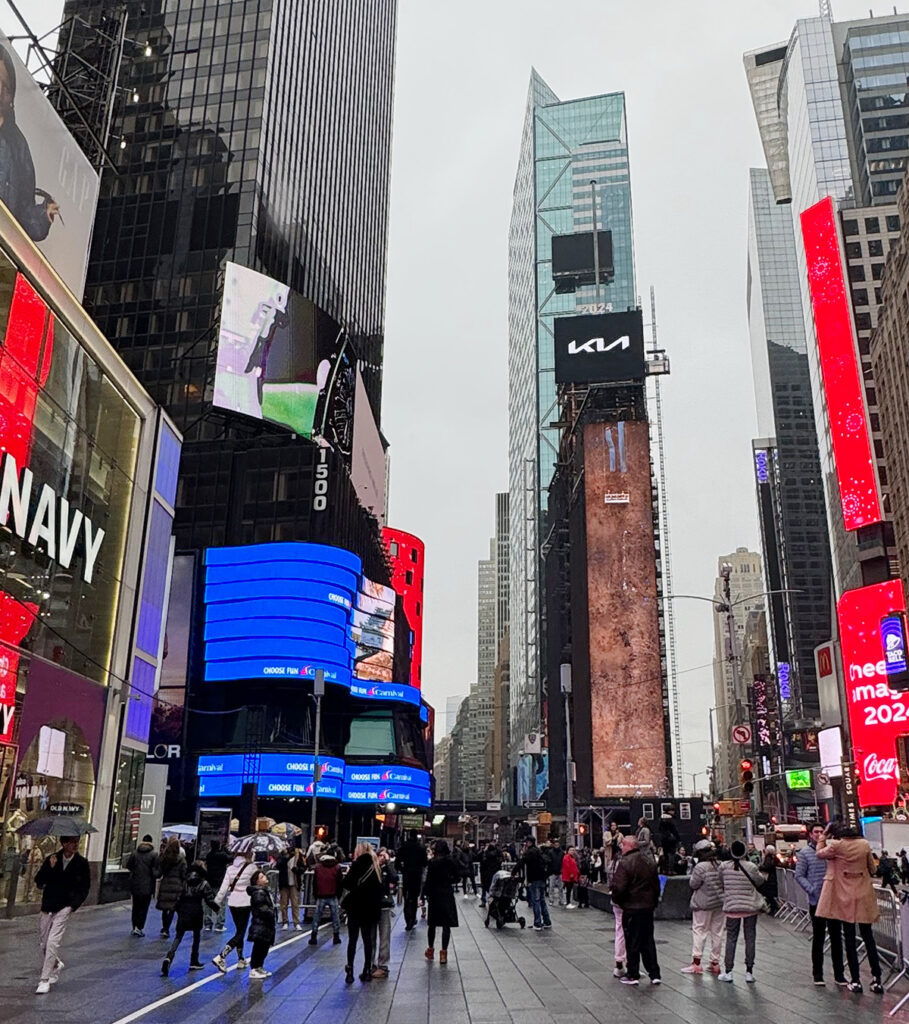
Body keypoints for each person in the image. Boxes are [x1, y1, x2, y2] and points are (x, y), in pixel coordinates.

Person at [0, 45, 59, 243]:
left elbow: (24, 215)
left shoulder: (18, 144)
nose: (0, 91)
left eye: (5, 86)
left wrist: (44, 214)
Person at [816, 822, 884, 993]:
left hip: (844, 895)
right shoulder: (864, 845)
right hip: (863, 894)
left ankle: (855, 980)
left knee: (850, 939)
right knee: (868, 938)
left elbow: (819, 853)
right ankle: (876, 978)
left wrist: (823, 836)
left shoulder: (837, 846)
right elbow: (872, 868)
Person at [33, 834, 90, 994]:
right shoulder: (52, 859)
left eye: (77, 842)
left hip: (65, 906)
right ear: (64, 843)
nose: (75, 845)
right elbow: (39, 881)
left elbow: (84, 887)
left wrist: (73, 905)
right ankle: (55, 963)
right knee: (44, 943)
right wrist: (50, 868)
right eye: (72, 842)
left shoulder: (81, 863)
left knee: (52, 942)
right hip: (49, 904)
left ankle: (44, 979)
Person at [795, 823, 846, 987]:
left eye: (821, 832)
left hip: (833, 899)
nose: (818, 834)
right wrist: (811, 890)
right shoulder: (805, 853)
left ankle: (840, 975)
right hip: (816, 901)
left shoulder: (831, 851)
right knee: (818, 938)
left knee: (836, 937)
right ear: (810, 834)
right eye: (815, 832)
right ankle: (818, 974)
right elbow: (799, 875)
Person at [610, 834, 661, 986]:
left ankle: (632, 973)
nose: (621, 847)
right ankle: (654, 974)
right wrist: (653, 902)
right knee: (648, 941)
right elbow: (656, 885)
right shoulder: (649, 861)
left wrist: (620, 901)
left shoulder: (625, 863)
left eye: (623, 845)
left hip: (632, 908)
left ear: (630, 846)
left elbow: (619, 887)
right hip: (647, 908)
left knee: (632, 941)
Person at [717, 839, 766, 983]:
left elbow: (721, 882)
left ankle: (728, 971)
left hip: (732, 906)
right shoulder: (751, 866)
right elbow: (760, 881)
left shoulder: (723, 867)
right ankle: (749, 972)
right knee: (750, 938)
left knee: (731, 938)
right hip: (750, 907)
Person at [161, 861, 219, 976]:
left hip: (184, 910)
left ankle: (169, 957)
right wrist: (217, 908)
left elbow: (178, 897)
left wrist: (177, 909)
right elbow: (209, 900)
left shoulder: (184, 881)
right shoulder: (203, 883)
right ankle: (194, 960)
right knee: (196, 936)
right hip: (196, 911)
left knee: (178, 936)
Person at [342, 842, 383, 984]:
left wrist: (348, 874)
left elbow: (347, 884)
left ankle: (350, 970)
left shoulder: (357, 864)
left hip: (356, 907)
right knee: (368, 940)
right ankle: (366, 970)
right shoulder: (376, 866)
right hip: (370, 909)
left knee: (352, 940)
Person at [680, 839, 723, 975]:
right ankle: (715, 962)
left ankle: (696, 963)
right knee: (718, 932)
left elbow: (693, 884)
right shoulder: (720, 865)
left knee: (699, 930)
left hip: (703, 903)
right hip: (720, 902)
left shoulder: (700, 867)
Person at [212, 851, 258, 972]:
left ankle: (241, 959)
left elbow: (223, 888)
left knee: (239, 930)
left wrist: (216, 902)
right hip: (245, 901)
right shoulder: (252, 868)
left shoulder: (230, 868)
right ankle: (221, 956)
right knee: (241, 933)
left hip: (232, 902)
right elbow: (257, 883)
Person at [422, 839, 460, 964]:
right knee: (446, 924)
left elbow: (428, 880)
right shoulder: (451, 862)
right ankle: (443, 953)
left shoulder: (432, 863)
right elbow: (457, 877)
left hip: (434, 895)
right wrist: (448, 880)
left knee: (432, 924)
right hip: (447, 894)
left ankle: (430, 949)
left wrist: (423, 895)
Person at [242, 869, 277, 979]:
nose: (265, 878)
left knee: (264, 947)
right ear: (257, 881)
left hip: (266, 924)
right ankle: (254, 967)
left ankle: (259, 967)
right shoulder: (258, 893)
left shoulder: (264, 891)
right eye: (261, 877)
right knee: (259, 947)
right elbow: (261, 908)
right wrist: (271, 912)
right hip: (261, 924)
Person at [371, 847, 398, 978]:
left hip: (384, 905)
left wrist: (388, 864)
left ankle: (383, 964)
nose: (382, 858)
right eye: (380, 855)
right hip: (372, 905)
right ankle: (370, 964)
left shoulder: (387, 869)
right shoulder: (372, 868)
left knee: (384, 936)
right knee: (370, 936)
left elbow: (395, 878)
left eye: (384, 856)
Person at [309, 848, 344, 946]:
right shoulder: (337, 867)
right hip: (333, 895)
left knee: (317, 917)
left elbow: (315, 883)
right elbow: (340, 883)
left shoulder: (318, 867)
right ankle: (336, 936)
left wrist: (316, 894)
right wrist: (338, 894)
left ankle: (313, 936)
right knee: (335, 917)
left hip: (321, 895)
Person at [126, 833, 158, 936]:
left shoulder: (135, 853)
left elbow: (128, 865)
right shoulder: (154, 854)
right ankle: (139, 927)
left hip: (135, 884)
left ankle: (134, 926)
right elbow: (155, 871)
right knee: (144, 908)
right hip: (147, 886)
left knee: (135, 906)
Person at [155, 837, 187, 938]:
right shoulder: (181, 860)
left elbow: (159, 872)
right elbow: (184, 874)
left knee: (165, 908)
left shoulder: (164, 858)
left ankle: (164, 927)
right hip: (177, 885)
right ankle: (167, 929)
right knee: (172, 908)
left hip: (166, 884)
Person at [397, 830, 428, 929]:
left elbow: (397, 862)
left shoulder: (404, 847)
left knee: (406, 897)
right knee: (414, 897)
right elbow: (425, 862)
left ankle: (408, 919)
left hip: (406, 874)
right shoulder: (421, 848)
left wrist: (403, 870)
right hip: (416, 875)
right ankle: (413, 917)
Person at [519, 837, 551, 931]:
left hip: (534, 879)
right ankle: (547, 921)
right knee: (542, 900)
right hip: (542, 879)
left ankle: (537, 923)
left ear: (529, 843)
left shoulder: (530, 852)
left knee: (535, 901)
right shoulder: (538, 851)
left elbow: (522, 862)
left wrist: (513, 872)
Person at [203, 840, 231, 932]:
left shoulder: (209, 855)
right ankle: (219, 924)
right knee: (221, 904)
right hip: (220, 882)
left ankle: (207, 924)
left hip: (209, 881)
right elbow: (231, 858)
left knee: (208, 903)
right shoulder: (222, 855)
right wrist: (225, 849)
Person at [276, 846, 301, 931]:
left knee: (295, 904)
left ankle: (296, 922)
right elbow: (278, 865)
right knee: (283, 904)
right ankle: (285, 922)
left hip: (294, 883)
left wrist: (297, 870)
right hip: (284, 883)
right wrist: (286, 857)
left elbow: (303, 867)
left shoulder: (298, 856)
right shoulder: (282, 857)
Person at [479, 842, 502, 908]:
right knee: (493, 889)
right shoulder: (496, 855)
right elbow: (499, 863)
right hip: (494, 874)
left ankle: (483, 901)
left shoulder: (485, 855)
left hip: (486, 874)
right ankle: (494, 902)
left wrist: (483, 851)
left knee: (485, 888)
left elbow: (480, 859)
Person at [759, 844, 779, 916]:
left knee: (768, 894)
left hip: (770, 878)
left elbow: (767, 867)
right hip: (771, 878)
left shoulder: (768, 858)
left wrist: (760, 867)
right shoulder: (773, 857)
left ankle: (774, 906)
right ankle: (772, 906)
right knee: (769, 894)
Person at [547, 840, 566, 907]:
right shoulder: (551, 852)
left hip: (560, 872)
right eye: (556, 844)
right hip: (553, 872)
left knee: (560, 887)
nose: (557, 846)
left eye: (558, 844)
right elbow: (549, 862)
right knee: (551, 887)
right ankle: (551, 900)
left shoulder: (562, 853)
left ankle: (561, 900)